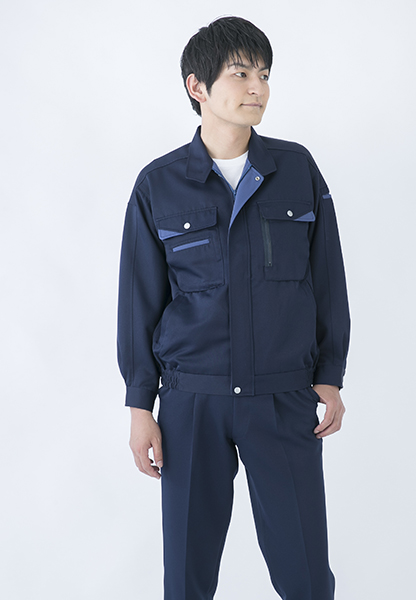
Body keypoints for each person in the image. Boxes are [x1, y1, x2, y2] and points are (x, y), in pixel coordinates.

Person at [117, 15, 350, 600]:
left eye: (264, 75)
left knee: (305, 575)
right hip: (192, 402)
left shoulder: (296, 169)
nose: (257, 88)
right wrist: (141, 405)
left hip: (283, 396)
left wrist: (329, 374)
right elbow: (139, 301)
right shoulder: (158, 185)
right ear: (197, 87)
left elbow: (328, 278)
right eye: (241, 73)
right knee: (187, 577)